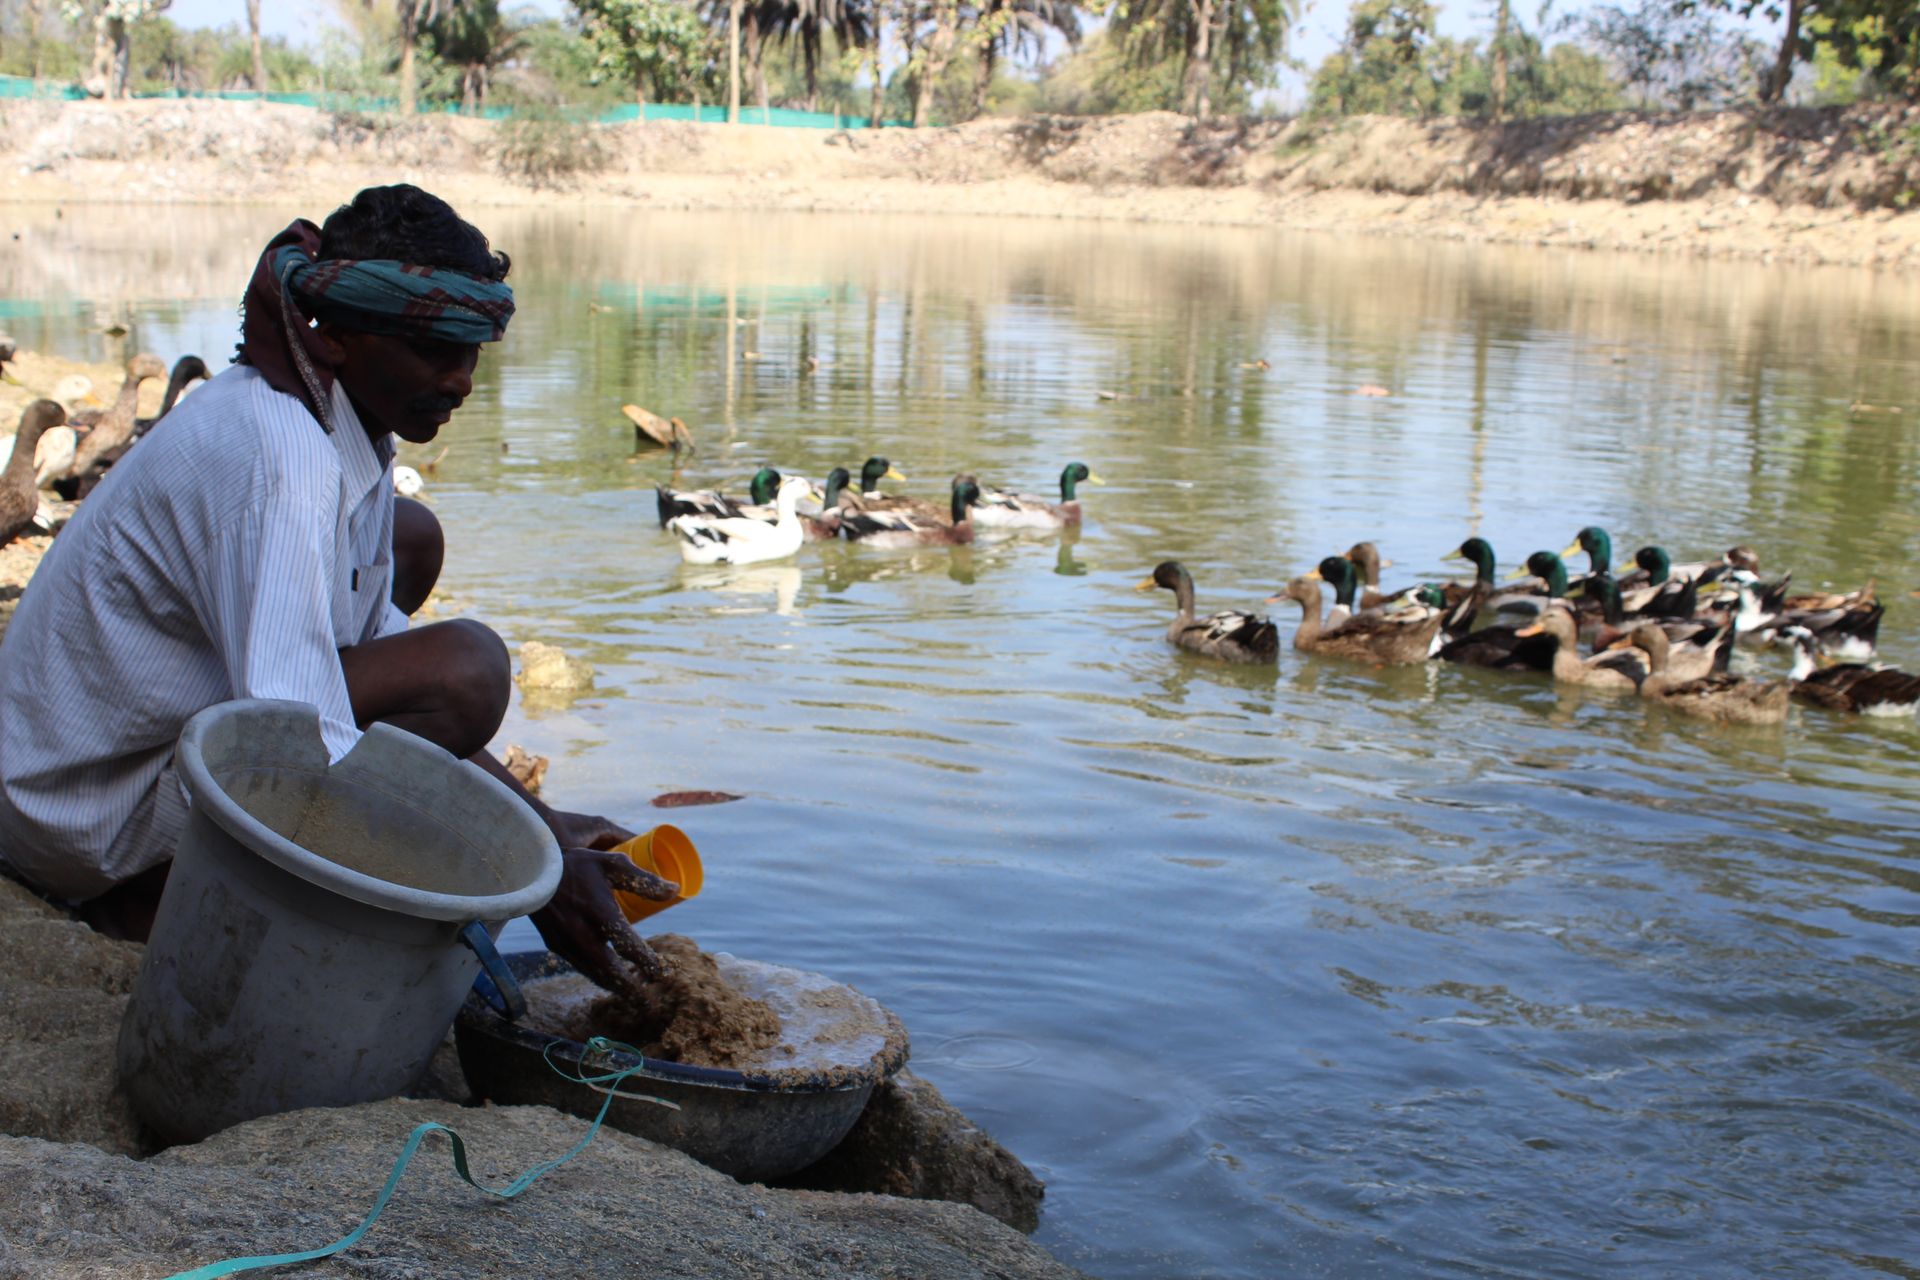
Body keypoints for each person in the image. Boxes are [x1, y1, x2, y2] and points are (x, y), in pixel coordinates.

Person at [0, 185, 670, 997]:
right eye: (432, 350)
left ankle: (168, 879)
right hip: (76, 812)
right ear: (339, 336)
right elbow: (295, 736)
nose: (461, 381)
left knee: (413, 538)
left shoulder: (340, 422)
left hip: (124, 750)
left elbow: (371, 659)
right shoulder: (283, 460)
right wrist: (530, 877)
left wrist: (545, 832)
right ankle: (140, 899)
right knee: (467, 671)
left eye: (472, 353)